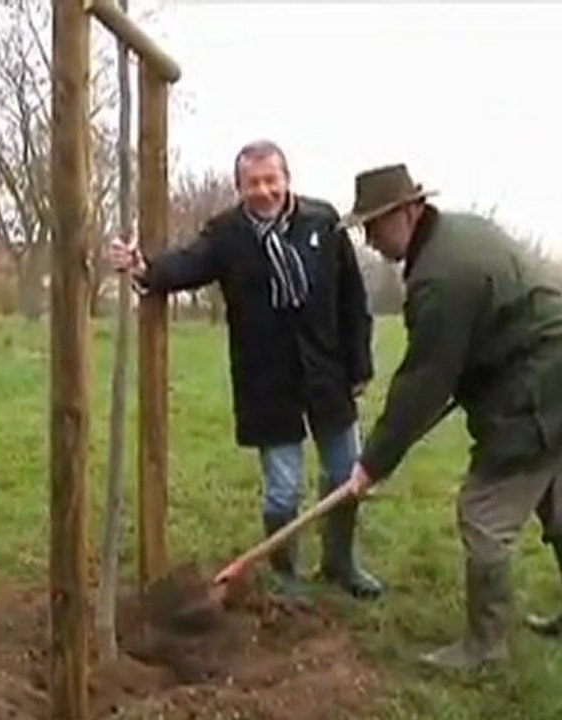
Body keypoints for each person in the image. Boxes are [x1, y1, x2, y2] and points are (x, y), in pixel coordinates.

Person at [109, 139, 383, 601]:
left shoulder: (323, 222)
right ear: (240, 188)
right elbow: (188, 264)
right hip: (266, 381)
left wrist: (360, 364)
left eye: (270, 180)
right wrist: (143, 266)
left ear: (287, 179)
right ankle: (286, 575)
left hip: (327, 373)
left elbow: (353, 299)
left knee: (344, 476)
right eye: (252, 183)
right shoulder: (227, 234)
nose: (262, 191)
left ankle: (341, 563)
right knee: (283, 490)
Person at [342, 163, 562, 670]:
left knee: (483, 514)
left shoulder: (440, 276)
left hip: (537, 392)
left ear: (408, 210)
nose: (370, 239)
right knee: (556, 502)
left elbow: (424, 380)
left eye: (374, 225)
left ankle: (485, 646)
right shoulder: (460, 232)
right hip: (544, 374)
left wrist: (372, 464)